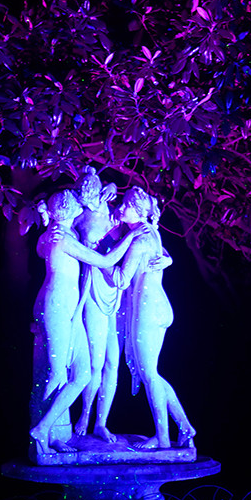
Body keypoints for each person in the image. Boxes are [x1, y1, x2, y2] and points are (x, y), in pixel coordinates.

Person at [29, 189, 148, 455]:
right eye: (78, 204)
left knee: (81, 374)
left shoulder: (64, 233)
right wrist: (130, 237)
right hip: (57, 307)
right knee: (56, 373)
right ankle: (44, 434)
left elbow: (41, 248)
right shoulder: (62, 237)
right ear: (72, 210)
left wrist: (46, 221)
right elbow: (106, 260)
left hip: (69, 309)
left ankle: (49, 430)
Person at [116, 187, 196, 450]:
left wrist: (93, 260)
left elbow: (121, 279)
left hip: (148, 311)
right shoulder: (152, 231)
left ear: (138, 210)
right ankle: (185, 427)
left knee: (150, 375)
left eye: (126, 206)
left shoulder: (138, 240)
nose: (121, 209)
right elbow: (162, 255)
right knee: (153, 374)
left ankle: (162, 438)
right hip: (158, 306)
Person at [72, 167, 124, 442]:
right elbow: (56, 210)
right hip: (93, 286)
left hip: (115, 288)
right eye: (85, 198)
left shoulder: (111, 209)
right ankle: (85, 413)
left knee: (113, 362)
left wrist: (113, 184)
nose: (90, 201)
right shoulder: (79, 215)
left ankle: (101, 423)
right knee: (96, 362)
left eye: (92, 196)